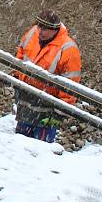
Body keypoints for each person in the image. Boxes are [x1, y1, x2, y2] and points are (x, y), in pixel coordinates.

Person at [13, 10, 82, 143]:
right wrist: (17, 76)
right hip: (26, 100)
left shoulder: (68, 48)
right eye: (39, 27)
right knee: (19, 143)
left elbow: (71, 82)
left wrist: (61, 111)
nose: (41, 31)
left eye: (45, 29)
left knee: (41, 148)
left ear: (55, 30)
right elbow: (21, 51)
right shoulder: (33, 33)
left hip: (48, 107)